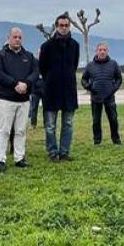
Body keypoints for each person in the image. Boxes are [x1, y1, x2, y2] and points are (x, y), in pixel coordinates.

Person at [0, 27, 38, 172]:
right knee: (3, 130)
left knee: (20, 130)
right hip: (6, 99)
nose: (17, 39)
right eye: (15, 37)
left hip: (24, 100)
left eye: (19, 37)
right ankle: (0, 160)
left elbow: (35, 72)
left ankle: (19, 158)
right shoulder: (0, 55)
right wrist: (15, 84)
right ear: (9, 38)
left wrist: (27, 84)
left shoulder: (29, 56)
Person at [39, 13, 80, 161]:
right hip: (51, 90)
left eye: (66, 25)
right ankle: (52, 151)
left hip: (69, 90)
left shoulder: (75, 45)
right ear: (56, 27)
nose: (63, 28)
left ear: (69, 26)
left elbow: (74, 65)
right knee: (50, 125)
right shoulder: (47, 46)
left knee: (68, 124)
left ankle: (64, 151)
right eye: (61, 25)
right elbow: (42, 68)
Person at [81, 42, 123, 145]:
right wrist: (89, 87)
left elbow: (119, 78)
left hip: (109, 97)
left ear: (107, 51)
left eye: (104, 50)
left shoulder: (113, 64)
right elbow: (84, 79)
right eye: (100, 50)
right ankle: (97, 140)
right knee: (96, 120)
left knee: (113, 119)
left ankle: (116, 140)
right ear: (96, 51)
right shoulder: (90, 65)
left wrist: (114, 89)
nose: (102, 52)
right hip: (96, 97)